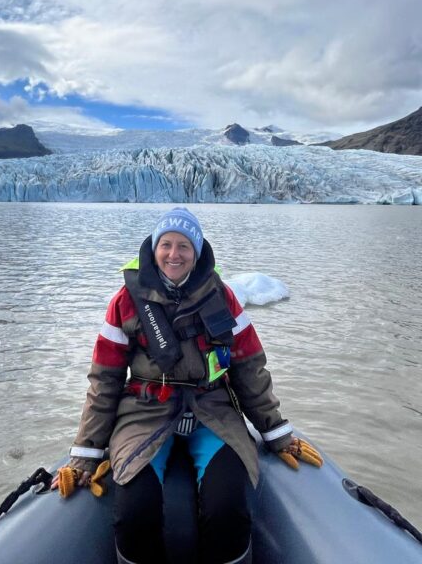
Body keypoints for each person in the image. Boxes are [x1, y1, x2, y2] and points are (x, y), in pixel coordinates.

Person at [53, 207, 321, 564]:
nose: (173, 254)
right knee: (134, 512)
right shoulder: (126, 301)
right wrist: (85, 453)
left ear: (196, 252)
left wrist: (276, 432)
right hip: (146, 411)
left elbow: (248, 367)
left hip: (212, 409)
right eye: (166, 244)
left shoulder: (222, 297)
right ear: (153, 249)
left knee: (228, 510)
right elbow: (105, 378)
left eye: (184, 246)